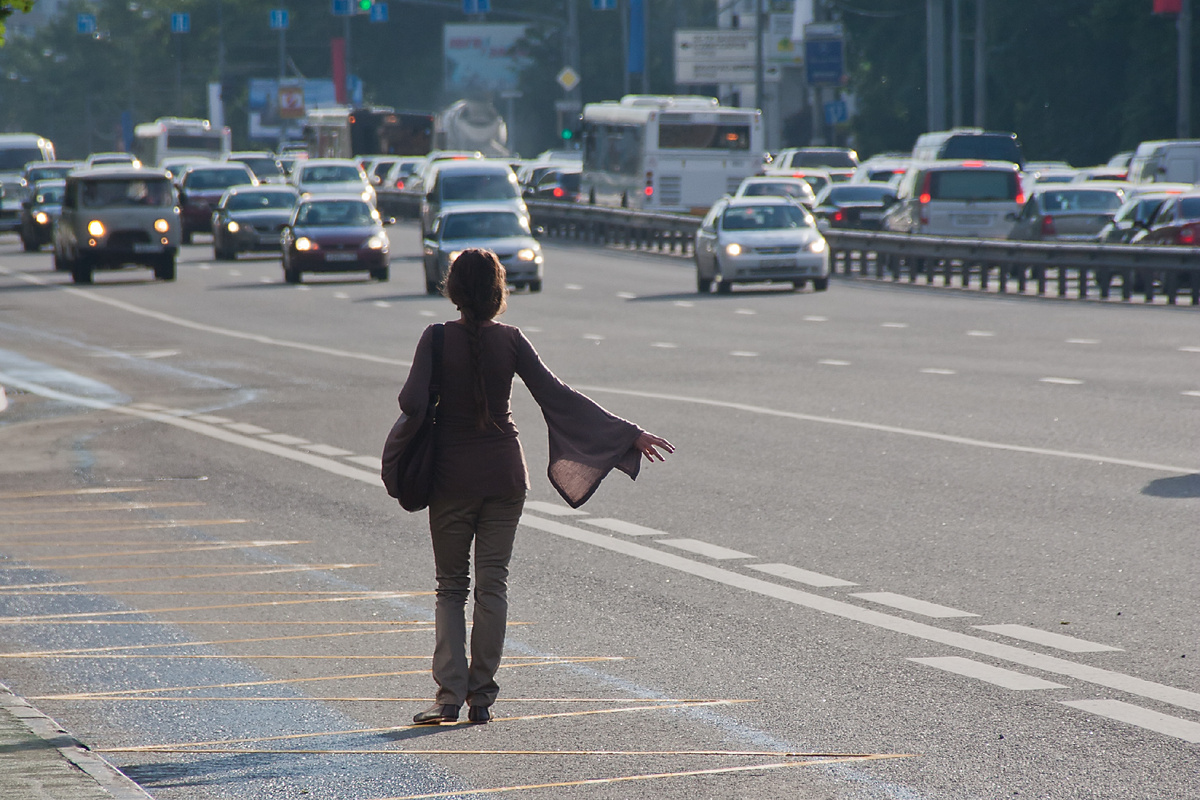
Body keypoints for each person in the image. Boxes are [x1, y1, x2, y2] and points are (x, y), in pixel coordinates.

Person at [389, 248, 673, 726]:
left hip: (451, 479)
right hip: (505, 476)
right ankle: (482, 697)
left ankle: (448, 698)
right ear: (498, 293)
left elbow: (410, 401)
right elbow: (559, 396)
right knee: (492, 586)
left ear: (453, 291)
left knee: (451, 588)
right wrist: (628, 433)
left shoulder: (435, 339)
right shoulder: (512, 341)